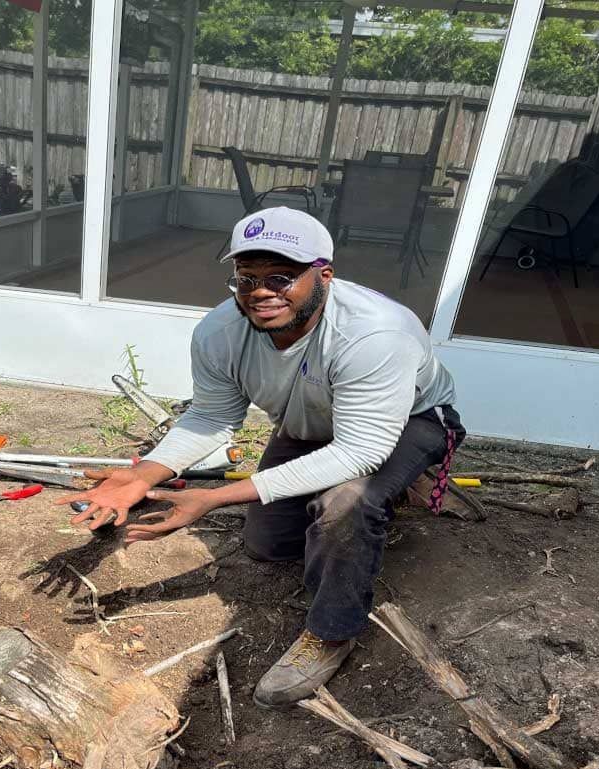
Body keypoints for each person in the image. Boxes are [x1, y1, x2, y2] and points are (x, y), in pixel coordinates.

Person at [57, 206, 463, 708]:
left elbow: (361, 449)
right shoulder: (220, 332)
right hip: (312, 422)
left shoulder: (375, 334)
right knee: (268, 545)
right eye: (247, 278)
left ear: (324, 275)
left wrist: (213, 498)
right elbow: (211, 416)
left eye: (281, 276)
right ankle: (361, 496)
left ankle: (332, 631)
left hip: (407, 423)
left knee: (346, 504)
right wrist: (144, 474)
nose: (261, 292)